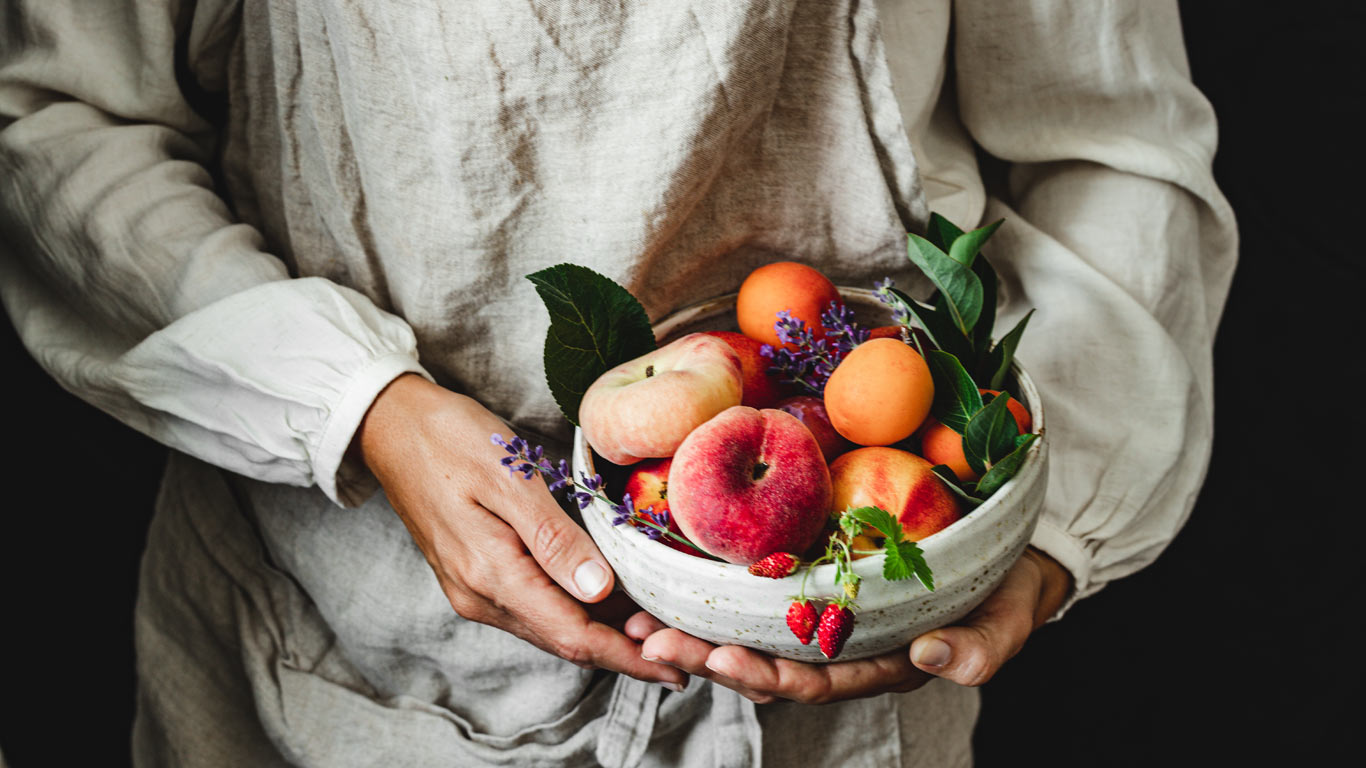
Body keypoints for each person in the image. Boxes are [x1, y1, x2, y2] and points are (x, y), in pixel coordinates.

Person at [0, 1, 1236, 765]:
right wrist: (359, 407)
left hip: (868, 651)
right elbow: (61, 118)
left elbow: (1106, 141)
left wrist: (1043, 531)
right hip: (354, 672)